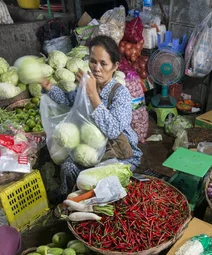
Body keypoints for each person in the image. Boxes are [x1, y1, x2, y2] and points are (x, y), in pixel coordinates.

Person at [42, 35, 142, 196]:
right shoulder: (86, 85)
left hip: (118, 154)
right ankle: (67, 200)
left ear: (115, 66)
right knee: (67, 167)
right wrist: (47, 86)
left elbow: (114, 130)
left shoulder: (119, 93)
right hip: (91, 147)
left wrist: (93, 94)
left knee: (92, 182)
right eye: (93, 61)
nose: (96, 68)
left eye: (103, 63)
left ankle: (86, 201)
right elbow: (69, 102)